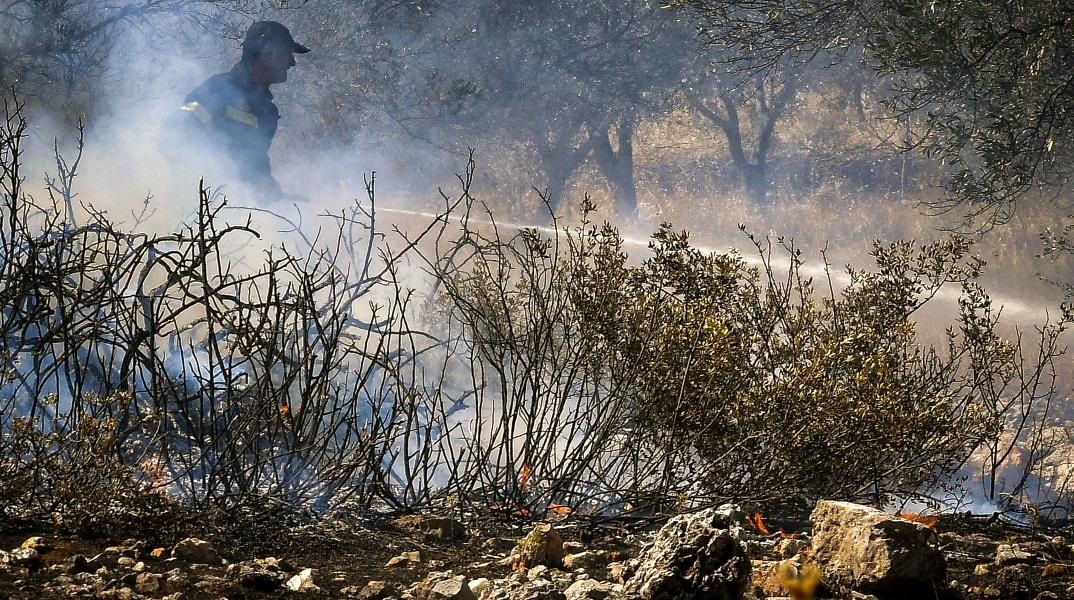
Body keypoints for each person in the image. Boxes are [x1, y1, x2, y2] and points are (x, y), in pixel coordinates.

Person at [165, 21, 309, 200]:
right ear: (269, 52)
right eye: (287, 53)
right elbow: (172, 137)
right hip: (198, 206)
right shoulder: (217, 90)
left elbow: (255, 167)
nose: (292, 62)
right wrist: (212, 173)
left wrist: (271, 192)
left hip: (232, 210)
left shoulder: (268, 113)